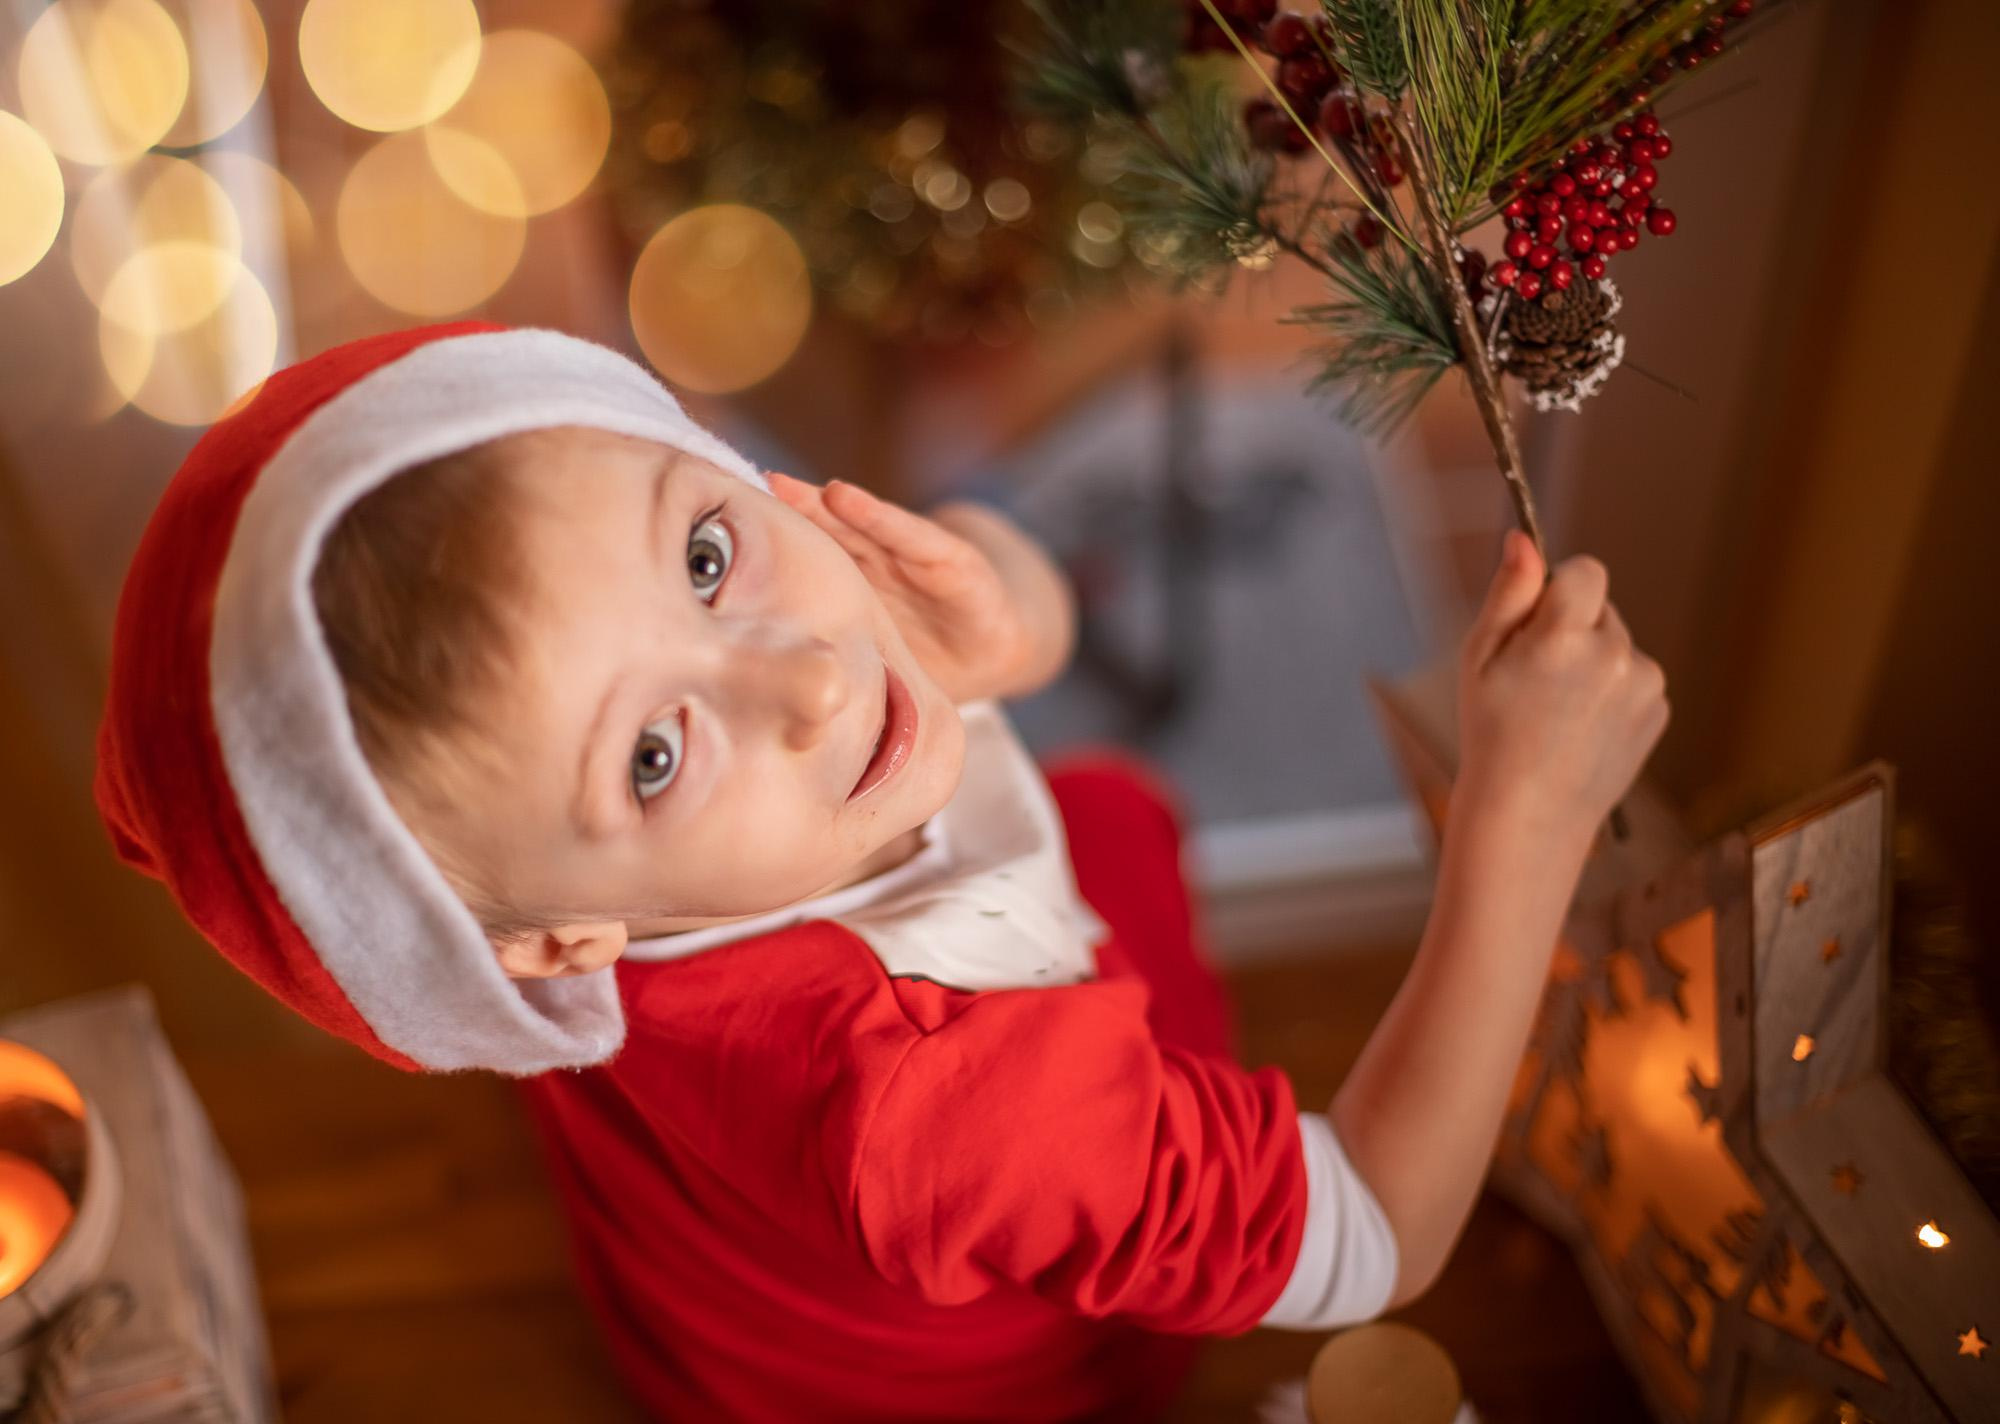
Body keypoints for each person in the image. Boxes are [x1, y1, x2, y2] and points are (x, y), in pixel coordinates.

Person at [95, 321, 1667, 1421]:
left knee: (1107, 814)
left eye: (706, 554)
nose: (813, 682)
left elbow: (984, 638)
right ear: (558, 944)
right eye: (651, 752)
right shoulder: (943, 1100)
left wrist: (1016, 625)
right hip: (999, 1379)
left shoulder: (640, 852)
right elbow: (1373, 1230)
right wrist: (1521, 830)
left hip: (733, 1281)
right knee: (1127, 872)